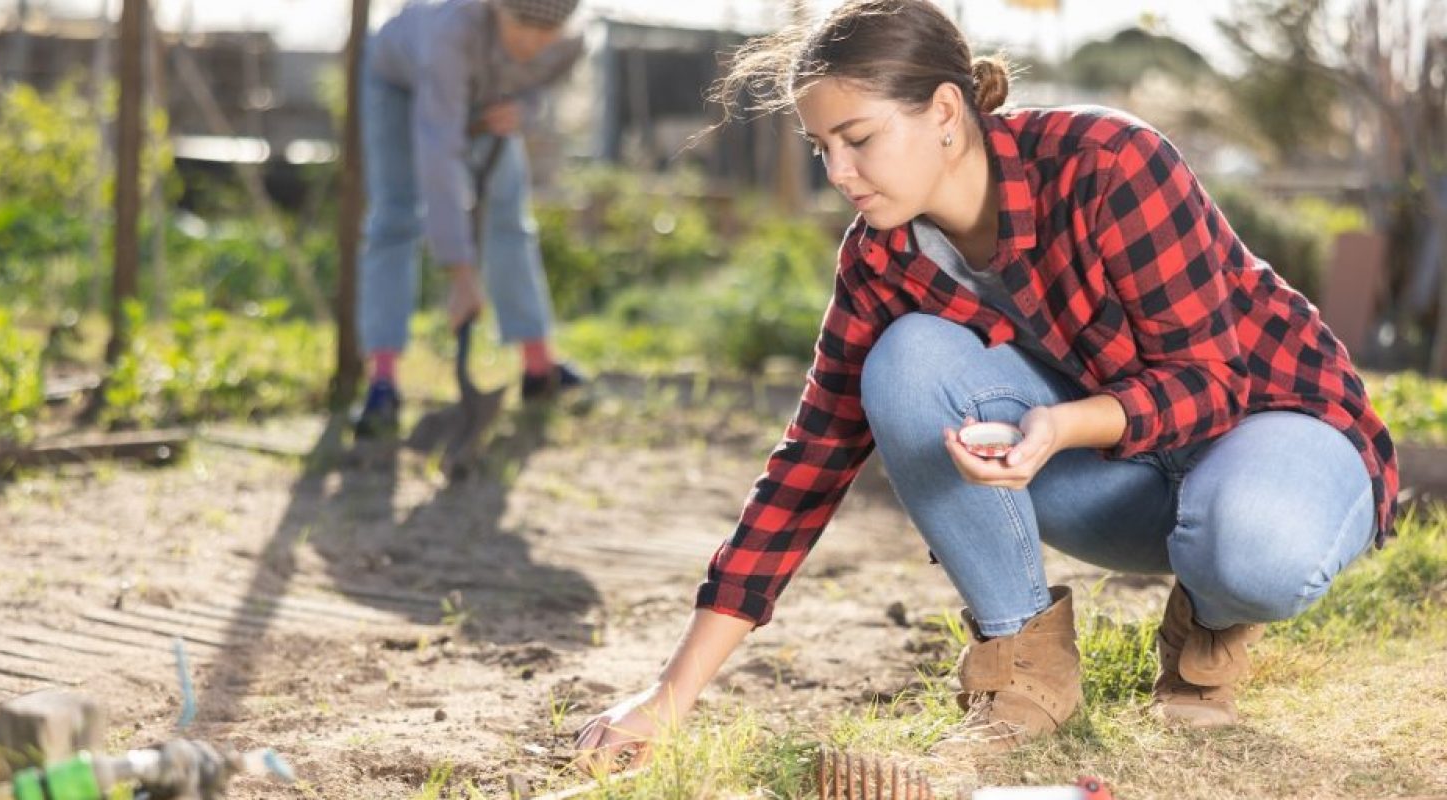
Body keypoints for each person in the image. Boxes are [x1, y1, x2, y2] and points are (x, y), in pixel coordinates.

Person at [576, 0, 1398, 762]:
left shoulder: (1105, 160)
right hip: (1118, 481)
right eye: (821, 148)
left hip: (1273, 427)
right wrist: (671, 695)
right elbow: (810, 463)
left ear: (943, 112)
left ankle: (1209, 638)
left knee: (1257, 548)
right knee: (905, 359)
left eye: (857, 139)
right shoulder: (881, 257)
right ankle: (1025, 677)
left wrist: (1060, 427)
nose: (838, 171)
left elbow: (1212, 384)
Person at [356, 0, 587, 438]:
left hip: (487, 94)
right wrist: (461, 274)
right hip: (400, 84)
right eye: (520, 27)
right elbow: (438, 156)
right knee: (395, 218)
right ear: (495, 8)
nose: (531, 43)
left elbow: (549, 86)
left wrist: (526, 109)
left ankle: (539, 367)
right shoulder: (451, 34)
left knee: (509, 218)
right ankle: (382, 382)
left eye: (545, 35)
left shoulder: (571, 40)